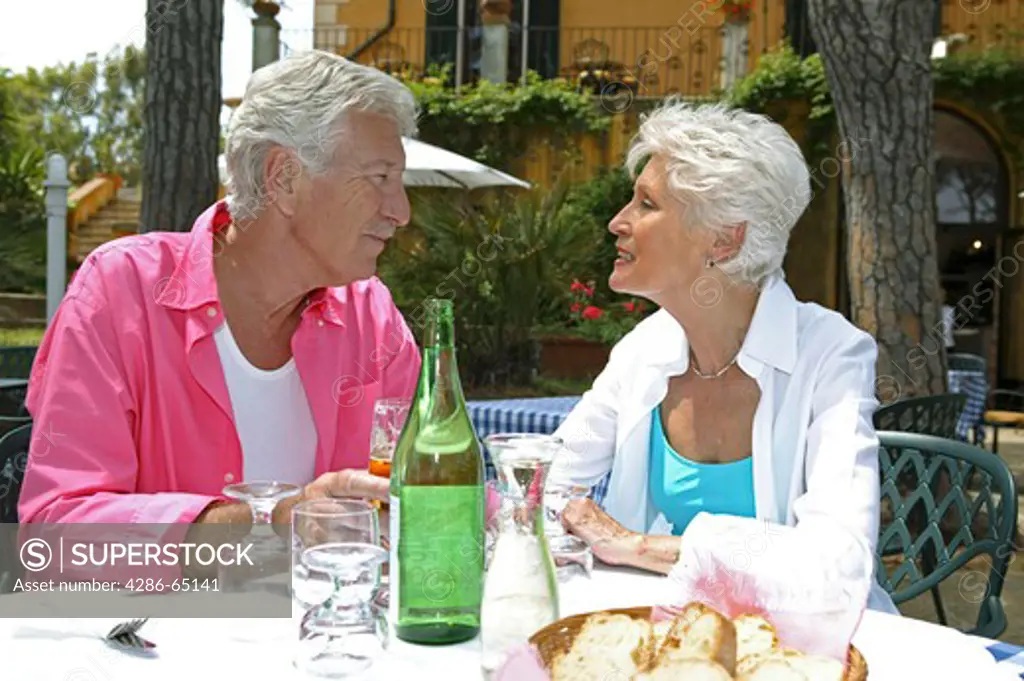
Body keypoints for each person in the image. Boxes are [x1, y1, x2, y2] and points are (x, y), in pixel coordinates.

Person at [18, 51, 421, 528]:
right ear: (285, 178)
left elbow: (437, 494)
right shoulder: (120, 292)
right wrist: (265, 526)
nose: (401, 211)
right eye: (380, 178)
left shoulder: (372, 318)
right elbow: (57, 530)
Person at [550, 100, 897, 613]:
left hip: (810, 650)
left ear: (725, 239)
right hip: (670, 639)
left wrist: (640, 547)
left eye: (646, 204)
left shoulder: (830, 354)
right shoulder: (643, 350)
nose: (617, 222)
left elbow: (838, 565)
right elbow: (543, 481)